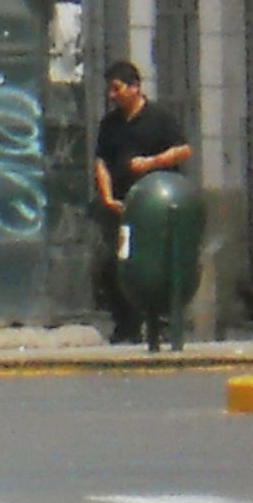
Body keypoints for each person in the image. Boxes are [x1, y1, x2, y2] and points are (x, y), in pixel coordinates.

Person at [90, 60, 193, 346]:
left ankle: (160, 324)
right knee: (115, 264)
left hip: (154, 211)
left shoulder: (159, 118)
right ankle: (126, 325)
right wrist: (108, 196)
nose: (113, 95)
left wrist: (152, 163)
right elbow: (101, 162)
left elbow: (183, 150)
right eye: (110, 90)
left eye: (117, 89)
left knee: (156, 266)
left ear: (135, 88)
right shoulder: (110, 125)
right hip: (123, 209)